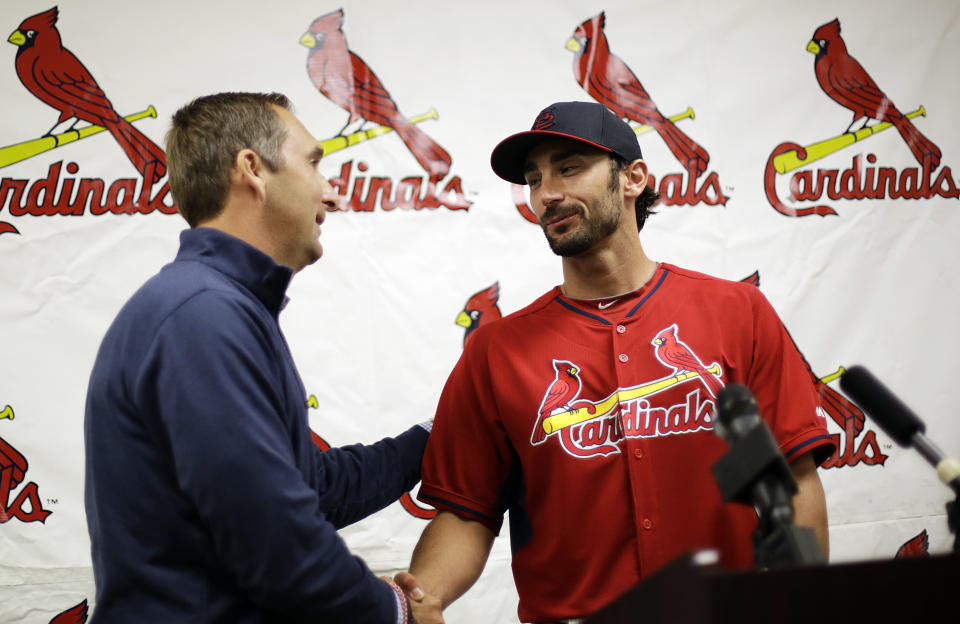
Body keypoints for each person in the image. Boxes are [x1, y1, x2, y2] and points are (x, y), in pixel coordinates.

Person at [402, 101, 834, 623]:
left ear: (633, 178)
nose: (547, 194)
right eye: (535, 179)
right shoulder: (497, 352)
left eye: (569, 168)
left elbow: (793, 476)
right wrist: (420, 601)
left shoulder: (735, 313)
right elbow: (467, 514)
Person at [84, 92, 442, 623]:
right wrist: (395, 611)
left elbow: (308, 490)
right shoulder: (201, 316)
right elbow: (276, 538)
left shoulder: (217, 306)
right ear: (252, 169)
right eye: (315, 163)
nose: (332, 193)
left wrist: (437, 436)